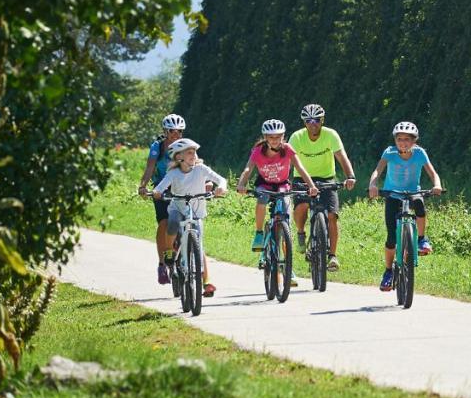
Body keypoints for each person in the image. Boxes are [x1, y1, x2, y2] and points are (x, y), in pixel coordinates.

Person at [235, 119, 318, 286]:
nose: (275, 140)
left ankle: (288, 268)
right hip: (264, 184)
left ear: (283, 137)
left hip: (283, 185)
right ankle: (259, 233)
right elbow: (248, 169)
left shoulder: (287, 149)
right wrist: (242, 184)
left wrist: (312, 186)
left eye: (278, 137)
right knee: (262, 200)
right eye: (271, 137)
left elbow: (300, 168)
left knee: (285, 222)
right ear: (265, 137)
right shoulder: (258, 150)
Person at [367, 121, 443, 291]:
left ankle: (422, 239)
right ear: (395, 140)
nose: (402, 142)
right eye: (399, 139)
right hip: (392, 194)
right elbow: (378, 171)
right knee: (391, 238)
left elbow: (432, 173)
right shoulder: (390, 152)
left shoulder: (420, 153)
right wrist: (373, 185)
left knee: (419, 205)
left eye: (407, 139)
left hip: (412, 192)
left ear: (414, 141)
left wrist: (436, 185)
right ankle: (388, 272)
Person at [152, 137, 227, 297]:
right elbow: (161, 186)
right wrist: (157, 192)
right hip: (178, 208)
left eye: (194, 152)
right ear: (179, 157)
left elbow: (220, 179)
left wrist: (220, 187)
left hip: (196, 211)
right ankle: (169, 251)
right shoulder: (173, 173)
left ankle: (204, 279)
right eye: (189, 153)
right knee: (172, 223)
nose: (194, 155)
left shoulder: (201, 169)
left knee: (198, 241)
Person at [289, 104, 356, 272]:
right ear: (304, 122)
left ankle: (332, 256)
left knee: (332, 216)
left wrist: (350, 176)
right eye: (309, 120)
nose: (313, 124)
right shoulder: (297, 137)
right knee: (302, 206)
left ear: (322, 121)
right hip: (302, 178)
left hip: (327, 178)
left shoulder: (330, 135)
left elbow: (342, 157)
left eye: (317, 120)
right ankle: (300, 232)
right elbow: (289, 160)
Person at [138, 113, 186, 285]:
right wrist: (143, 186)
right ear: (165, 131)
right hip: (160, 190)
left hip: (181, 189)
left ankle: (187, 254)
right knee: (164, 223)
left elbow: (195, 165)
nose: (176, 135)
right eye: (172, 131)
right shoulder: (157, 147)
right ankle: (161, 264)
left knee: (186, 222)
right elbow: (150, 167)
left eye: (179, 132)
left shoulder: (184, 147)